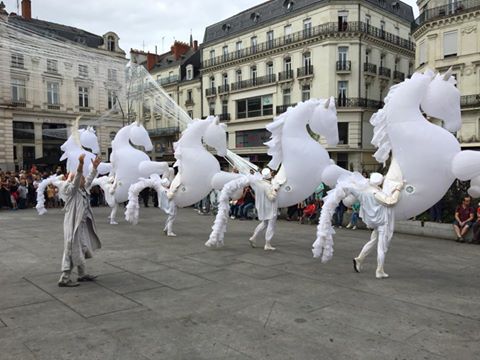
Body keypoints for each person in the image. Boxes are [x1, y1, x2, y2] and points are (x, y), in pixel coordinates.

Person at [58, 154, 102, 287]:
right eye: (81, 178)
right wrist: (80, 166)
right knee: (71, 249)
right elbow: (77, 179)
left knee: (82, 248)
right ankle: (64, 279)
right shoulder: (71, 190)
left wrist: (94, 168)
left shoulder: (83, 189)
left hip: (81, 225)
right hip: (73, 225)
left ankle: (82, 274)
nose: (83, 179)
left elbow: (89, 179)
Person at [352, 172, 404, 279]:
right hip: (382, 222)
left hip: (375, 222)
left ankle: (360, 259)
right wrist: (398, 189)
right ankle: (379, 270)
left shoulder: (365, 191)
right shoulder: (376, 193)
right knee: (382, 248)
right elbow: (391, 201)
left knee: (372, 242)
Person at [248, 168, 278, 250]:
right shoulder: (267, 186)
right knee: (271, 225)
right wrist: (275, 191)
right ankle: (267, 244)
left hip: (264, 208)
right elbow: (271, 198)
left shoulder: (259, 184)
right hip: (270, 208)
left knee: (264, 223)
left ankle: (253, 237)